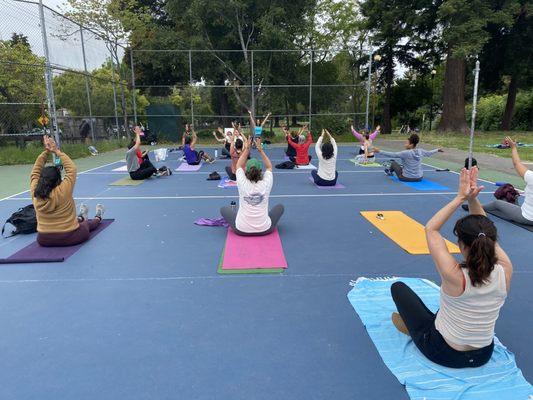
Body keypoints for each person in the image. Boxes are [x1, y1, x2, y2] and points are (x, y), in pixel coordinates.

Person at [390, 167, 512, 368]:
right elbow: (485, 230)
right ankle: (424, 326)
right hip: (483, 354)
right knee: (443, 311)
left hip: (444, 353)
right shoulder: (506, 270)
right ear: (491, 242)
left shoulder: (455, 275)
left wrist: (460, 198)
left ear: (461, 246)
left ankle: (418, 331)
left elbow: (431, 229)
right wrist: (472, 199)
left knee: (399, 289)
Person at [31, 135, 106, 247]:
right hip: (70, 237)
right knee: (85, 225)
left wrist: (46, 152)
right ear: (58, 180)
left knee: (78, 222)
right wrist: (56, 150)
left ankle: (80, 216)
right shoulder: (63, 190)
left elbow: (35, 171)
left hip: (44, 239)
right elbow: (71, 169)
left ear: (41, 179)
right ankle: (98, 216)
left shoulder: (35, 192)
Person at [220, 136, 284, 236]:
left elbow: (238, 166)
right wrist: (260, 150)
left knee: (223, 209)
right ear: (260, 171)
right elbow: (269, 167)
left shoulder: (242, 182)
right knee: (280, 207)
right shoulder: (266, 183)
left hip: (241, 230)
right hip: (265, 230)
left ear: (246, 170)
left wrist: (247, 148)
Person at [473, 137, 533, 225]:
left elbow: (517, 163)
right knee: (512, 197)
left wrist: (513, 147)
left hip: (527, 218)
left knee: (497, 203)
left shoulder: (531, 177)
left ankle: (477, 207)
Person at [374, 134, 443, 182]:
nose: (405, 144)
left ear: (411, 145)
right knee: (404, 165)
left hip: (406, 178)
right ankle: (390, 171)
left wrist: (379, 151)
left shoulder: (405, 153)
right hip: (419, 178)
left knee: (393, 162)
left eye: (406, 143)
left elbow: (392, 154)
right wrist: (437, 150)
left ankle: (389, 171)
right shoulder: (420, 151)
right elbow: (428, 153)